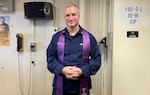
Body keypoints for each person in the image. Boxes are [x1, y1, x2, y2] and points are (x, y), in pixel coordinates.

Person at [46, 2, 101, 95]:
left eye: (73, 14)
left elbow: (97, 60)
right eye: (67, 15)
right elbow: (50, 58)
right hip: (60, 86)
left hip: (81, 86)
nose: (70, 18)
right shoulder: (56, 37)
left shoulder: (89, 38)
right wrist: (62, 70)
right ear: (64, 18)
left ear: (78, 16)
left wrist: (82, 71)